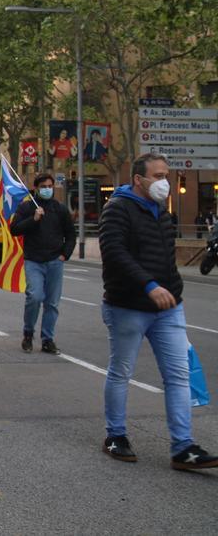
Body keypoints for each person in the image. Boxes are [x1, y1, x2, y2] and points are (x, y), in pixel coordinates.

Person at [98, 153, 218, 470]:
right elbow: (114, 253)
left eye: (167, 174)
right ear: (139, 179)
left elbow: (165, 258)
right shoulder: (117, 208)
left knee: (178, 376)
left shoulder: (161, 212)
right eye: (159, 175)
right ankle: (116, 436)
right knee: (121, 371)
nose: (165, 181)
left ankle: (184, 448)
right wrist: (149, 285)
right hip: (128, 306)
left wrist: (174, 290)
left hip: (169, 309)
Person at [10, 173, 76, 354]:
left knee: (52, 303)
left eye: (50, 186)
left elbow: (70, 234)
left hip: (55, 260)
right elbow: (14, 229)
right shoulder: (26, 207)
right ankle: (28, 333)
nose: (48, 189)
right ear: (37, 188)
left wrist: (65, 254)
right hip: (33, 261)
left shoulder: (59, 209)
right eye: (44, 186)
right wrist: (34, 219)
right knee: (35, 296)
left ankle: (48, 339)